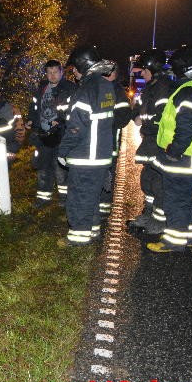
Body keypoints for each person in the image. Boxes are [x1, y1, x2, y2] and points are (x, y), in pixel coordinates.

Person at [147, 46, 192, 253]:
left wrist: (173, 152)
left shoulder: (188, 90)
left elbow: (186, 126)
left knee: (175, 200)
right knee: (184, 199)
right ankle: (187, 237)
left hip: (183, 158)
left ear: (182, 66)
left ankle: (173, 241)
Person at [57, 44, 116, 246]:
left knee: (79, 198)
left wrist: (63, 150)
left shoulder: (85, 89)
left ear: (82, 65)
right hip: (102, 155)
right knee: (91, 196)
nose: (73, 71)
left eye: (74, 67)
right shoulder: (106, 85)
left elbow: (76, 127)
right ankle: (92, 231)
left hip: (85, 156)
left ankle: (78, 238)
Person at [126, 49, 173, 235]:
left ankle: (160, 221)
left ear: (153, 68)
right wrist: (136, 114)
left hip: (158, 141)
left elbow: (162, 116)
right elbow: (141, 109)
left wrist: (144, 121)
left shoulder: (162, 87)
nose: (141, 73)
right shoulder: (151, 87)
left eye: (144, 70)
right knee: (147, 180)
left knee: (158, 182)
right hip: (149, 139)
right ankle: (149, 214)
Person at [26, 59, 78, 208]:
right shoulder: (41, 88)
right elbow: (34, 107)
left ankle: (64, 199)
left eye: (55, 72)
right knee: (43, 168)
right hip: (42, 135)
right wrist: (30, 120)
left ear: (62, 72)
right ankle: (43, 198)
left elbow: (74, 111)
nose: (52, 75)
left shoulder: (70, 88)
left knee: (60, 169)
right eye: (49, 72)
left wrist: (61, 122)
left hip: (61, 136)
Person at [98, 63, 132, 218]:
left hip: (110, 142)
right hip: (94, 143)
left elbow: (124, 115)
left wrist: (106, 124)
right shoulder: (97, 87)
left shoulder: (117, 91)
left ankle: (104, 209)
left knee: (108, 175)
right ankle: (96, 206)